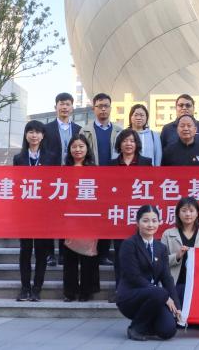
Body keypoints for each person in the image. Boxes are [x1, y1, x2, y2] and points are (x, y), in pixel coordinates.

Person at [116, 205, 181, 341]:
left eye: (154, 220)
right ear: (137, 222)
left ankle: (146, 325)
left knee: (168, 330)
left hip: (153, 297)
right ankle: (136, 328)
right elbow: (133, 277)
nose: (150, 225)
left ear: (159, 222)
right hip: (130, 296)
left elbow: (167, 278)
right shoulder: (129, 244)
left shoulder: (161, 248)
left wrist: (177, 306)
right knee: (160, 292)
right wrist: (164, 296)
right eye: (145, 221)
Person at [13, 120, 58, 302]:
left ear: (43, 135)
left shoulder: (51, 157)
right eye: (30, 132)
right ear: (26, 135)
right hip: (24, 213)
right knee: (25, 250)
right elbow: (15, 184)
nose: (34, 135)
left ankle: (37, 288)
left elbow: (56, 183)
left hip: (43, 213)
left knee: (41, 251)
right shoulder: (18, 158)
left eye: (38, 132)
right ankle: (25, 288)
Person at [42, 91, 81, 266]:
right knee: (50, 216)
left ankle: (65, 253)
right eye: (61, 104)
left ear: (72, 107)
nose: (64, 107)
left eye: (67, 104)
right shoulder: (46, 129)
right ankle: (50, 254)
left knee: (67, 216)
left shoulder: (79, 129)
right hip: (52, 180)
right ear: (55, 107)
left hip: (73, 179)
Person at [62, 135, 100, 301]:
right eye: (74, 146)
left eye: (81, 146)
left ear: (87, 149)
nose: (77, 149)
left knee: (88, 255)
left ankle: (86, 291)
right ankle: (70, 292)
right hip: (69, 217)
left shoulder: (95, 170)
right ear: (70, 149)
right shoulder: (63, 170)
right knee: (69, 256)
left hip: (89, 218)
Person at [159, 196, 199, 309]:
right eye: (184, 210)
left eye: (191, 211)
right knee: (175, 316)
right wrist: (177, 256)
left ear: (197, 213)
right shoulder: (168, 234)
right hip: (176, 284)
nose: (188, 214)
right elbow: (160, 262)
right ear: (178, 213)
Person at [84, 92, 118, 265]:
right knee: (93, 217)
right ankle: (90, 251)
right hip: (92, 181)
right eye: (100, 106)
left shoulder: (119, 131)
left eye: (106, 106)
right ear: (94, 108)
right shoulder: (85, 131)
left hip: (113, 182)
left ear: (110, 108)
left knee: (108, 217)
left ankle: (104, 253)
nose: (103, 109)